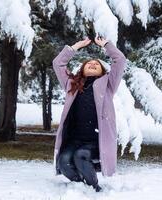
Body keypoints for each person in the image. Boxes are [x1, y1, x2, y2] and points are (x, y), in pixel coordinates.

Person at [52, 35, 127, 192]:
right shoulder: (71, 84)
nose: (93, 63)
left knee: (81, 155)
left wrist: (106, 44)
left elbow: (119, 60)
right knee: (64, 161)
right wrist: (75, 47)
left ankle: (94, 188)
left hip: (96, 140)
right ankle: (82, 185)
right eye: (89, 63)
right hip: (75, 138)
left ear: (101, 71)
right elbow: (58, 63)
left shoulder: (108, 85)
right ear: (82, 70)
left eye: (96, 64)